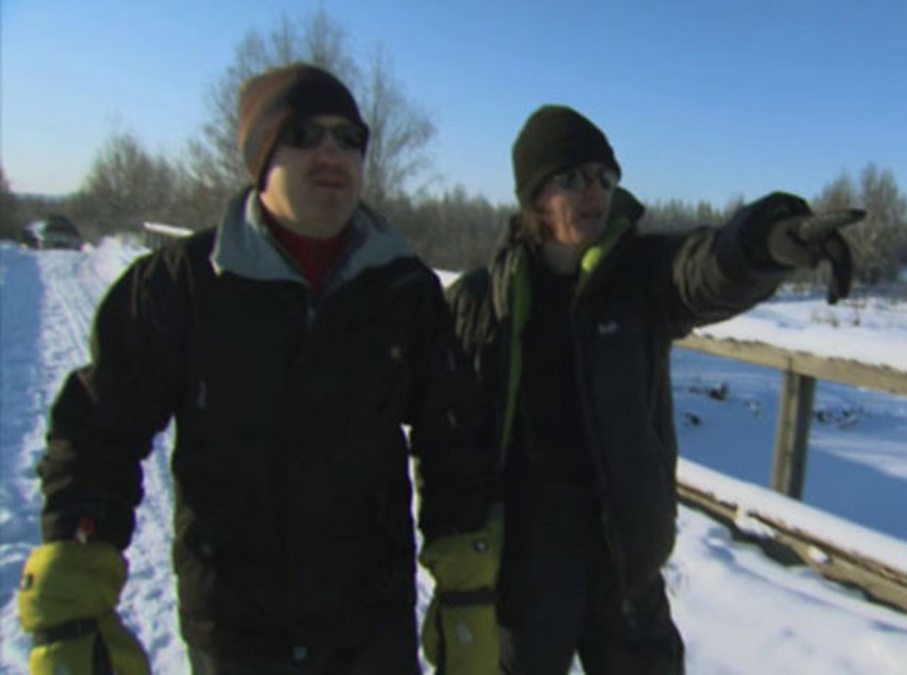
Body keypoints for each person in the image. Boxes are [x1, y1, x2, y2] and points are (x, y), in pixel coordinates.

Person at [16, 63, 501, 675]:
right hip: (236, 629)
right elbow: (99, 432)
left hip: (370, 624)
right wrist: (74, 580)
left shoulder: (404, 290)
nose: (331, 153)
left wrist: (467, 583)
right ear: (260, 156)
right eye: (304, 135)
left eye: (348, 138)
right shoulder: (182, 284)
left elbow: (452, 437)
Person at [445, 104, 863, 674]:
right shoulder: (479, 302)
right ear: (536, 196)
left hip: (623, 558)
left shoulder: (639, 278)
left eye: (604, 177)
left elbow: (702, 268)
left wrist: (767, 242)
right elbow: (443, 433)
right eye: (573, 177)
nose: (594, 191)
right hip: (525, 564)